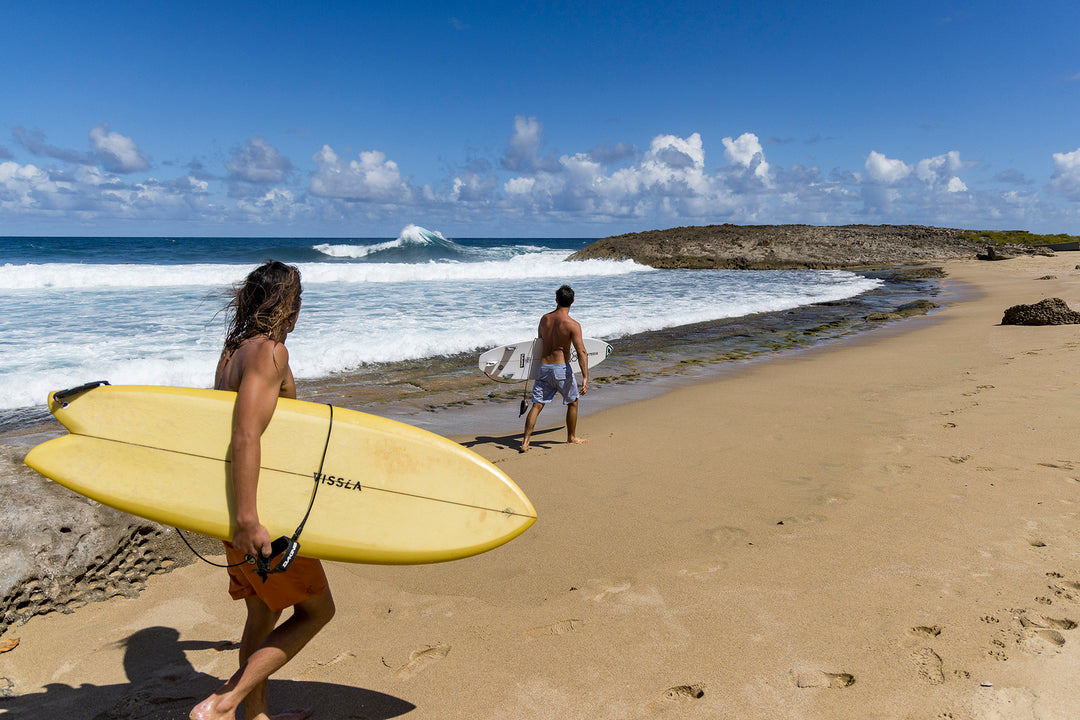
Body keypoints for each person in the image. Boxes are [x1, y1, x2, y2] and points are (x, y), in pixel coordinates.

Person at [192, 261, 335, 720]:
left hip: (232, 505)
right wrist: (250, 520)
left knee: (262, 614)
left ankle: (253, 715)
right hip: (262, 515)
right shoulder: (270, 354)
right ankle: (224, 702)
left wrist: (237, 516)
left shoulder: (231, 351)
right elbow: (245, 435)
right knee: (317, 611)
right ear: (287, 305)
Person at [520, 284, 590, 453]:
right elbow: (581, 352)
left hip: (544, 367)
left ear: (556, 300)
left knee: (537, 405)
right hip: (561, 370)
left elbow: (539, 342)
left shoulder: (544, 319)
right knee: (573, 402)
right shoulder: (573, 325)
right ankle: (571, 437)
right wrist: (585, 377)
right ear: (573, 301)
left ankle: (525, 442)